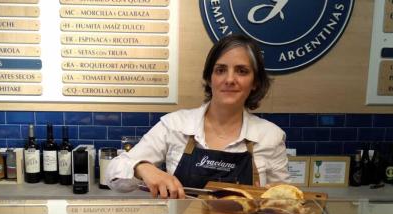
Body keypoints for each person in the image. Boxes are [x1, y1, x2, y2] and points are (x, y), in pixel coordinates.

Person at [106, 34, 289, 198]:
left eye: (242, 71)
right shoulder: (175, 125)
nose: (230, 79)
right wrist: (142, 167)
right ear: (210, 78)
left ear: (255, 82)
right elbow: (112, 175)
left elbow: (287, 202)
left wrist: (273, 202)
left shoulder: (270, 136)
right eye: (220, 70)